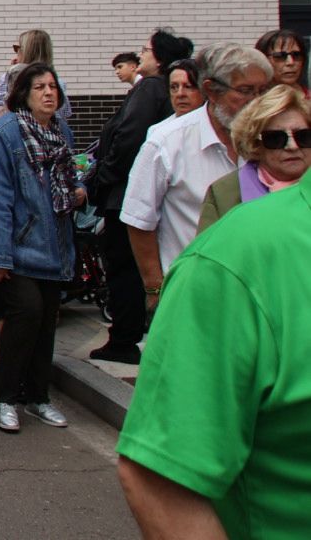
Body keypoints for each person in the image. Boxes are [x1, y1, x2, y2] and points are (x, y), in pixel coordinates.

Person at [117, 174, 311, 537]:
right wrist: (154, 286)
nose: (289, 147)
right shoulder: (235, 257)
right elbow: (159, 477)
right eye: (275, 138)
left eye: (301, 137)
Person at [122, 42, 271, 319]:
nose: (257, 102)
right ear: (212, 90)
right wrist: (155, 288)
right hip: (192, 295)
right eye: (246, 91)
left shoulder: (273, 142)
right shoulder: (166, 143)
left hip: (259, 295)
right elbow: (138, 219)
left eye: (263, 91)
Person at [0, 62, 87, 433]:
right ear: (23, 93)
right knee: (26, 313)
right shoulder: (7, 132)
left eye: (53, 87)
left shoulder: (62, 132)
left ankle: (38, 397)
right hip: (19, 246)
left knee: (46, 323)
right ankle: (6, 397)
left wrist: (77, 191)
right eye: (39, 87)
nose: (48, 93)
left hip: (55, 245)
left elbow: (69, 177)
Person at [84, 27, 192, 365]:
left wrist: (102, 176)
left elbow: (129, 138)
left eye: (145, 50)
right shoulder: (158, 92)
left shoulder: (149, 89)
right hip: (134, 190)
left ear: (158, 57)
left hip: (124, 194)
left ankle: (124, 337)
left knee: (123, 267)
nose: (139, 55)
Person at [198, 84, 308, 231]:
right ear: (255, 145)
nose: (292, 146)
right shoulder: (224, 194)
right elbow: (209, 252)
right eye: (275, 139)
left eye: (303, 136)